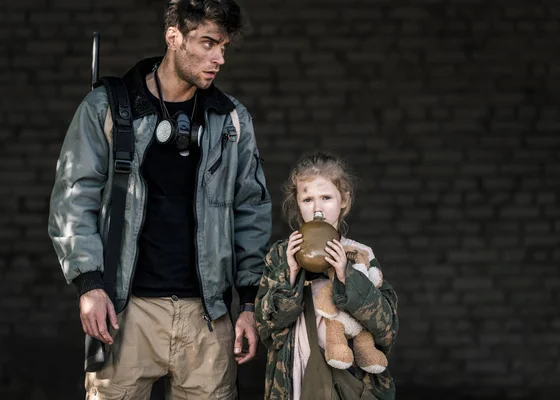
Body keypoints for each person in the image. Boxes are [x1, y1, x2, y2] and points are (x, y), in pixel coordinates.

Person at [48, 0, 272, 398]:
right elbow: (72, 197)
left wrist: (251, 304)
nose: (219, 57)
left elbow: (250, 210)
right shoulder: (107, 108)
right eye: (208, 43)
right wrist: (89, 285)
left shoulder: (231, 120)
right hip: (126, 312)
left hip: (209, 318)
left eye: (224, 47)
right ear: (174, 38)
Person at [255, 152, 398, 400]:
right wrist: (290, 274)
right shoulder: (279, 255)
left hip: (346, 381)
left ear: (344, 200)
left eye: (326, 197)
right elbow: (267, 328)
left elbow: (386, 329)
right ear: (297, 203)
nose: (317, 208)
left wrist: (347, 275)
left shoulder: (360, 255)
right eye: (307, 199)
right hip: (292, 380)